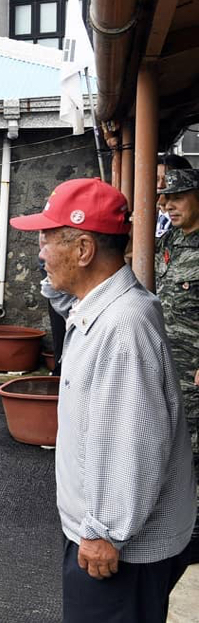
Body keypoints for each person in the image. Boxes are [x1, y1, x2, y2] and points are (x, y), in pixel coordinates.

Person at [10, 177, 195, 621]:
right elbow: (66, 297)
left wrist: (104, 532)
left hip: (118, 549)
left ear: (84, 250)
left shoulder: (122, 327)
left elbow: (132, 441)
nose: (40, 253)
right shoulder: (101, 306)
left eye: (48, 240)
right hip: (108, 536)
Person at [155, 167, 199, 565]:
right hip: (173, 363)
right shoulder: (168, 241)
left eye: (177, 197)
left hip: (197, 367)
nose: (168, 205)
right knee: (179, 442)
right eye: (164, 199)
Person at [157, 153, 193, 238]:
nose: (160, 185)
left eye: (167, 180)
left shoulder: (187, 219)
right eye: (156, 179)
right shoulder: (144, 216)